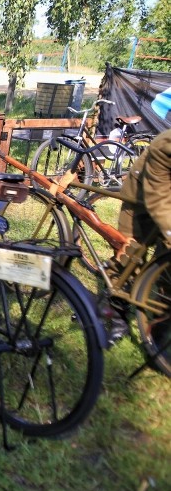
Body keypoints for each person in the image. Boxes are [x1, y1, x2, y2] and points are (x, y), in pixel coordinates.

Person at [104, 128, 171, 344]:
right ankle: (116, 316)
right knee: (128, 257)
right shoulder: (166, 144)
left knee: (168, 269)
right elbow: (158, 196)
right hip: (144, 195)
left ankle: (158, 332)